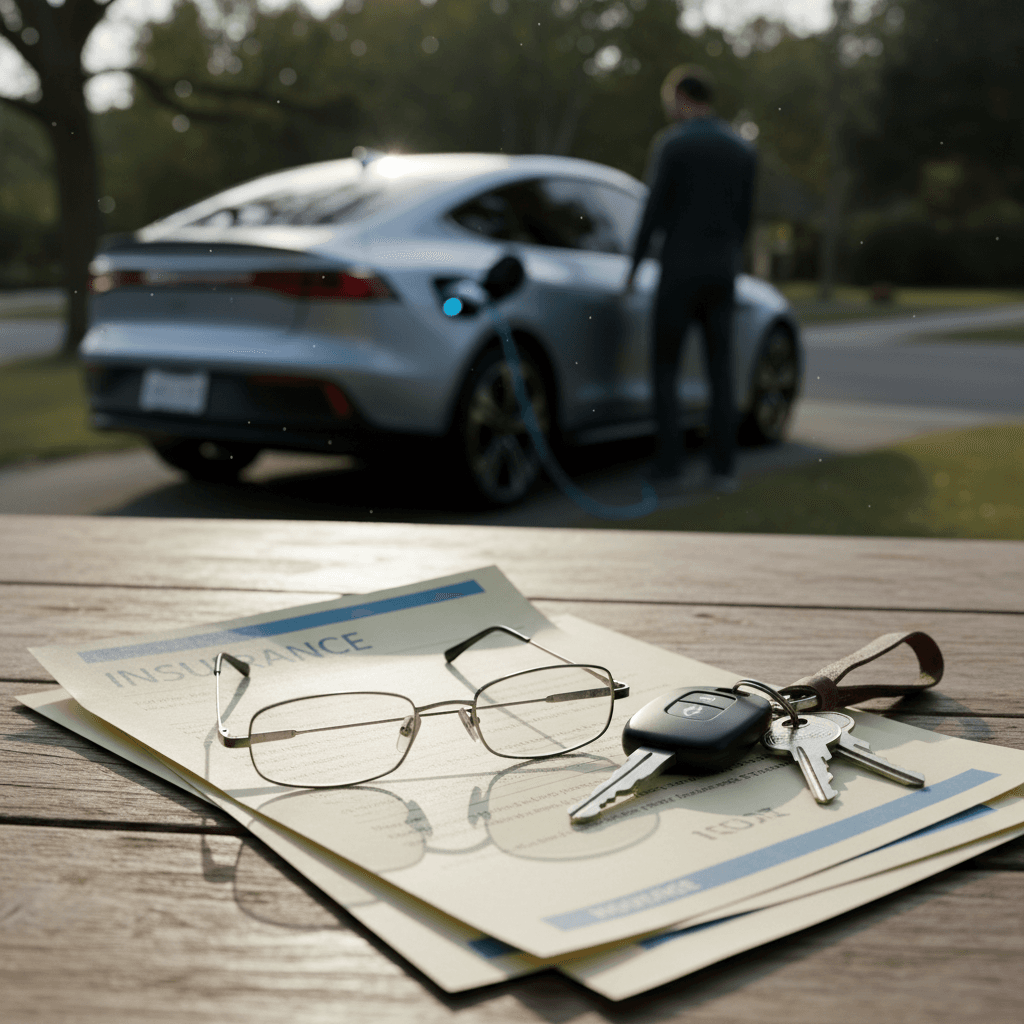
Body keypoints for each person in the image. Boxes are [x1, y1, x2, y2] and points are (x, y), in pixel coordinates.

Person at [624, 65, 757, 492]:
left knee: (666, 368)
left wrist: (633, 267)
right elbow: (744, 218)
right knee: (721, 372)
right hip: (722, 270)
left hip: (679, 270)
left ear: (682, 98)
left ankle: (669, 464)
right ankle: (723, 469)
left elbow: (653, 211)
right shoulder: (741, 149)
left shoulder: (673, 144)